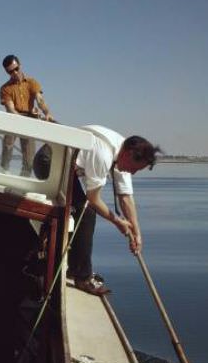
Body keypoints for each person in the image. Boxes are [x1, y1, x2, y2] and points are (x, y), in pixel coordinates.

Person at [68, 125, 160, 295]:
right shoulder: (104, 154)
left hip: (67, 167)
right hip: (50, 161)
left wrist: (136, 233)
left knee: (84, 209)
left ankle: (76, 268)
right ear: (129, 154)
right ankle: (82, 278)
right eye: (134, 168)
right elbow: (93, 199)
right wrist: (117, 221)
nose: (132, 173)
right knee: (86, 212)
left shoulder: (123, 150)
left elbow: (125, 197)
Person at [0, 55, 54, 176]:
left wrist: (47, 113)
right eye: (10, 71)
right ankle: (4, 170)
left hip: (29, 118)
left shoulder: (32, 82)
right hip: (14, 117)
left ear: (20, 65)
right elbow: (10, 108)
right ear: (7, 72)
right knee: (8, 145)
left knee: (29, 155)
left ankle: (25, 176)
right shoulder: (5, 89)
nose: (15, 73)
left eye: (16, 69)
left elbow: (40, 100)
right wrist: (20, 119)